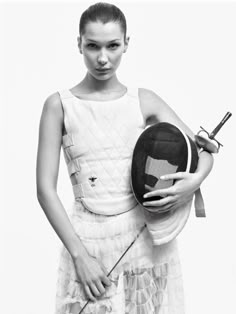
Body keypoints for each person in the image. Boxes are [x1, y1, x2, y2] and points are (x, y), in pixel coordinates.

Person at [36, 2, 214, 314]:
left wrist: (194, 182)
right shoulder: (58, 105)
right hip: (87, 241)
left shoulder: (143, 100)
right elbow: (44, 189)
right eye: (92, 46)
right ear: (78, 43)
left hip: (144, 241)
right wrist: (80, 256)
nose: (103, 58)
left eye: (112, 46)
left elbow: (202, 151)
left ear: (126, 44)